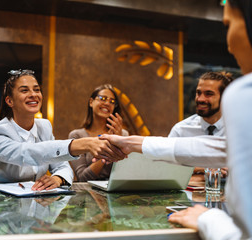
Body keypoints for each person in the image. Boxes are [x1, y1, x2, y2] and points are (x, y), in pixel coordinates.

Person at [98, 0, 252, 238]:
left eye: (229, 24)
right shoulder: (184, 127)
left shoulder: (244, 95)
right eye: (198, 92)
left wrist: (209, 219)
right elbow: (215, 149)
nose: (229, 45)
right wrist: (133, 143)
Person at [0, 70, 125, 191]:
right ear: (10, 101)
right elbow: (26, 153)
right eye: (25, 90)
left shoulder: (44, 126)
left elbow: (63, 166)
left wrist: (58, 179)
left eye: (37, 89)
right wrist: (80, 144)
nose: (33, 94)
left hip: (34, 207)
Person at [168, 71, 233, 178]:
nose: (200, 99)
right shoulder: (181, 130)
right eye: (198, 93)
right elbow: (167, 167)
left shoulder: (240, 129)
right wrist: (202, 169)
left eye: (209, 94)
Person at [68, 84, 128, 181]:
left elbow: (126, 173)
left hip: (116, 191)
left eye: (112, 101)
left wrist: (119, 141)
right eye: (103, 98)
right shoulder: (77, 135)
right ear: (91, 102)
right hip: (87, 192)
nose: (107, 103)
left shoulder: (123, 134)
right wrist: (108, 147)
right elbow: (82, 177)